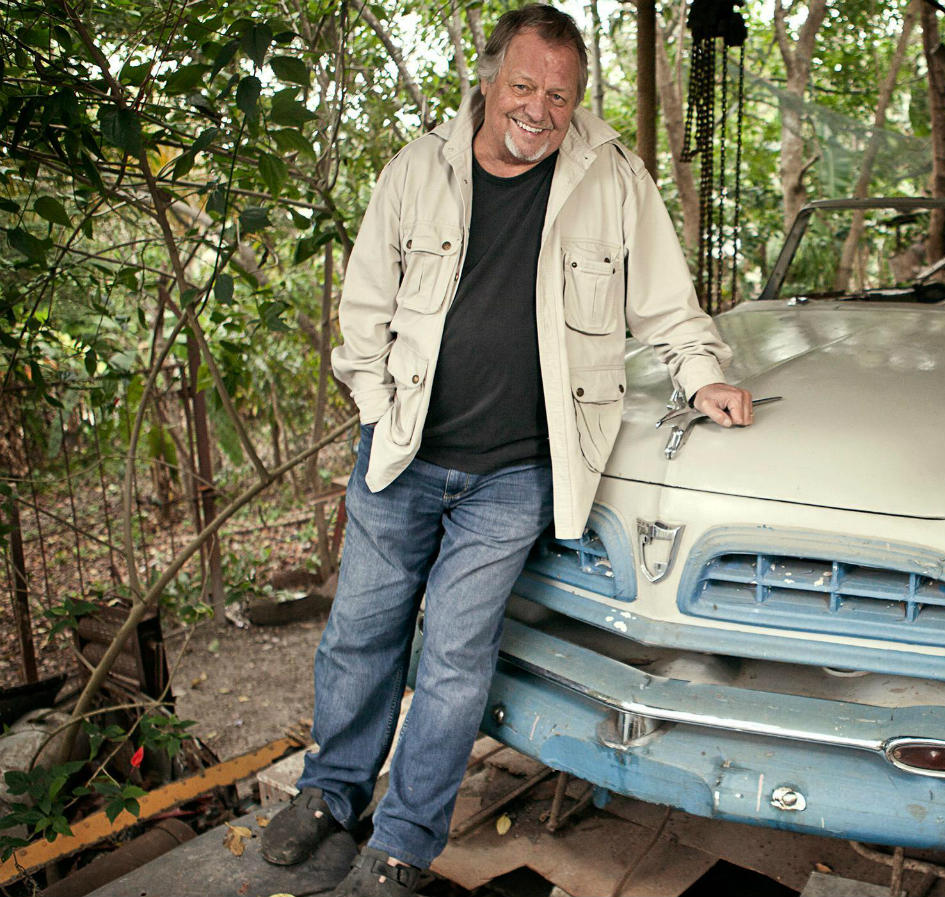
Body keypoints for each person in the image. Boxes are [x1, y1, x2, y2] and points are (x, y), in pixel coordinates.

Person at [259, 6, 752, 894]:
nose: (538, 109)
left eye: (558, 95)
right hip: (401, 454)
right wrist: (376, 407)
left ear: (578, 101)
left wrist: (702, 374)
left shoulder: (613, 179)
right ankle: (331, 794)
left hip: (514, 474)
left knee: (453, 657)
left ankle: (403, 842)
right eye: (522, 86)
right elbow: (364, 311)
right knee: (360, 635)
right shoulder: (418, 169)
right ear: (489, 82)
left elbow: (670, 304)